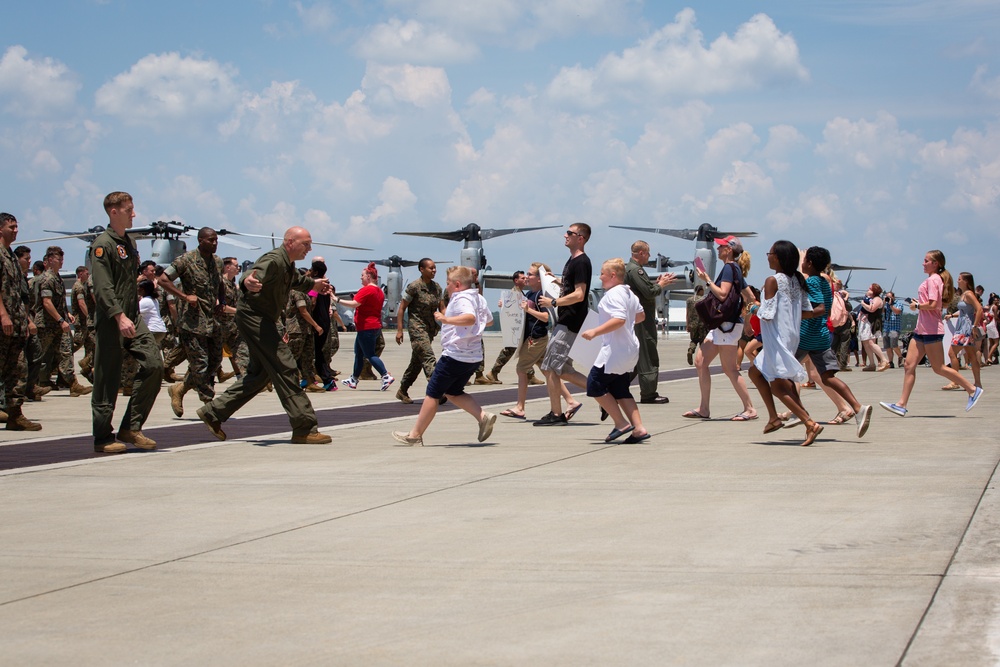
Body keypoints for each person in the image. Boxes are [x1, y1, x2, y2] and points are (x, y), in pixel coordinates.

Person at [196, 227, 334, 445]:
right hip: (255, 319)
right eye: (305, 244)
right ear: (290, 242)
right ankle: (304, 427)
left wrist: (313, 284)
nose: (309, 248)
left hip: (262, 319)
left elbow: (294, 281)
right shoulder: (273, 260)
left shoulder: (287, 264)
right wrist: (247, 282)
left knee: (259, 375)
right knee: (286, 366)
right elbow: (250, 275)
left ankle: (213, 413)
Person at [90, 192, 164, 453]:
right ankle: (102, 437)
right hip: (114, 318)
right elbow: (102, 286)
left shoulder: (128, 243)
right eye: (129, 210)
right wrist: (118, 315)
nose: (134, 214)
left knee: (155, 364)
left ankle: (131, 427)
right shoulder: (103, 244)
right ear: (114, 212)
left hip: (132, 316)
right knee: (107, 378)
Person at [391, 266, 496, 446]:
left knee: (433, 393)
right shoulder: (478, 297)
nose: (445, 287)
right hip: (473, 357)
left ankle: (415, 435)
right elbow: (489, 321)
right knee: (453, 392)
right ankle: (482, 416)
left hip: (455, 355)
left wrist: (446, 319)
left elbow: (470, 318)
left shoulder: (462, 297)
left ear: (457, 284)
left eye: (448, 284)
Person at [880, 250, 984, 417]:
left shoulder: (934, 280)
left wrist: (918, 306)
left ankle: (972, 389)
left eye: (926, 260)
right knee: (909, 365)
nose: (923, 263)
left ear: (935, 264)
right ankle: (901, 404)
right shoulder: (933, 280)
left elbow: (935, 304)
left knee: (939, 368)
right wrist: (919, 304)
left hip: (931, 329)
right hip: (921, 329)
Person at [788, 246, 872, 438]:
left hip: (808, 334)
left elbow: (819, 308)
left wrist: (797, 315)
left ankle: (797, 412)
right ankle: (858, 408)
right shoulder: (826, 281)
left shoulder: (814, 282)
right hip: (822, 335)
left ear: (809, 263)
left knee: (785, 373)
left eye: (804, 260)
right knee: (828, 377)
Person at [746, 240, 824, 446]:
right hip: (790, 336)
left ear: (778, 258)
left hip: (776, 338)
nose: (768, 257)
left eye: (770, 253)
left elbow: (768, 314)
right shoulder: (797, 280)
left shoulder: (773, 281)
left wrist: (753, 308)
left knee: (778, 386)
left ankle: (809, 422)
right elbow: (808, 312)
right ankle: (773, 418)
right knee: (755, 372)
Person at [684, 235, 757, 421]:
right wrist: (747, 322)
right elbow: (750, 297)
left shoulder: (728, 268)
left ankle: (750, 409)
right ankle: (704, 408)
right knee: (701, 361)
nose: (718, 249)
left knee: (729, 369)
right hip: (724, 326)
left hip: (727, 326)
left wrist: (707, 280)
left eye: (721, 246)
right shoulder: (736, 269)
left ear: (729, 250)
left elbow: (723, 295)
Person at [581, 258, 650, 443]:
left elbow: (619, 319)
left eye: (603, 273)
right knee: (620, 388)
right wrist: (627, 321)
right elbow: (641, 316)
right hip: (629, 349)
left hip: (615, 351)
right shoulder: (629, 294)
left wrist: (595, 331)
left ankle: (621, 423)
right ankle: (639, 428)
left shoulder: (613, 294)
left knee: (594, 385)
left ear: (613, 275)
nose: (600, 277)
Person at [159, 228, 226, 418]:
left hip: (212, 320)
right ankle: (209, 405)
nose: (214, 243)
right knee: (201, 364)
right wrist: (184, 296)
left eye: (216, 240)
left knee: (215, 361)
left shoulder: (217, 262)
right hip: (192, 321)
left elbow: (220, 283)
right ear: (200, 240)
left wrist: (222, 301)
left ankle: (179, 389)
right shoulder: (185, 260)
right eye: (210, 240)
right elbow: (163, 280)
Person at [499, 262, 579, 420]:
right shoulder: (529, 295)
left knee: (521, 369)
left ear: (539, 278)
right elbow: (520, 312)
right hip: (533, 338)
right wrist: (505, 307)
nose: (526, 277)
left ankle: (520, 407)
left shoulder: (541, 296)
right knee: (548, 372)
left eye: (530, 275)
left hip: (535, 338)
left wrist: (529, 310)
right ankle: (571, 401)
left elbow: (546, 317)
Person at [533, 223, 593, 426]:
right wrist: (557, 282)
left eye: (570, 233)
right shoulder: (572, 261)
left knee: (550, 366)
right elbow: (572, 287)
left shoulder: (581, 262)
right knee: (563, 370)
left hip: (569, 322)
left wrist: (554, 302)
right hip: (566, 321)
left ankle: (556, 414)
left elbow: (579, 294)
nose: (565, 235)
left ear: (581, 238)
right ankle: (602, 392)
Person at [0, 213, 41, 430]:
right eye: (11, 227)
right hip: (3, 323)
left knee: (16, 369)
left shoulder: (11, 257)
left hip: (16, 324)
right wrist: (4, 315)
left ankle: (15, 414)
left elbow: (17, 293)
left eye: (17, 227)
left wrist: (24, 321)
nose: (15, 230)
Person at [623, 240, 676, 404]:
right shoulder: (635, 270)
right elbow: (648, 292)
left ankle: (618, 387)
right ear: (641, 253)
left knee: (637, 357)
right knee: (648, 353)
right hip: (642, 321)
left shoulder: (632, 269)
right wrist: (661, 285)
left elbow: (644, 288)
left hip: (636, 318)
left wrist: (657, 283)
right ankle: (649, 393)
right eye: (647, 253)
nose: (649, 256)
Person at [35, 246, 91, 397]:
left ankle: (72, 384)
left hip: (59, 324)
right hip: (46, 324)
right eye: (59, 259)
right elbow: (46, 302)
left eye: (62, 259)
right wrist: (61, 319)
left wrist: (67, 315)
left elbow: (58, 301)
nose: (61, 262)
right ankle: (30, 385)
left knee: (66, 351)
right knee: (37, 355)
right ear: (50, 260)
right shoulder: (47, 278)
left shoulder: (57, 277)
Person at [336, 262, 394, 391]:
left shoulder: (367, 289)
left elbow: (354, 304)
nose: (360, 278)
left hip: (366, 327)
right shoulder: (379, 291)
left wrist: (337, 300)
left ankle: (385, 375)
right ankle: (354, 379)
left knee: (370, 354)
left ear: (369, 276)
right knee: (359, 353)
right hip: (373, 327)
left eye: (362, 275)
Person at [394, 258, 443, 403]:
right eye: (430, 268)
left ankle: (402, 390)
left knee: (416, 363)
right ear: (421, 269)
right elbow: (402, 308)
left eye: (434, 268)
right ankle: (437, 391)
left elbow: (442, 308)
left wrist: (449, 321)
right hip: (417, 328)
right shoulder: (414, 287)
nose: (434, 270)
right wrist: (400, 330)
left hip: (430, 329)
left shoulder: (437, 288)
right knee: (429, 357)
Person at [942, 272, 984, 390]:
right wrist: (952, 316)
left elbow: (979, 309)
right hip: (963, 327)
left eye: (960, 279)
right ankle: (977, 383)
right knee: (971, 355)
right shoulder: (964, 294)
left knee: (952, 353)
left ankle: (955, 381)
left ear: (966, 281)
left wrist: (974, 326)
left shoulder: (969, 294)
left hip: (965, 329)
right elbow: (964, 311)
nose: (958, 280)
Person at [308, 260, 337, 391]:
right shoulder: (326, 285)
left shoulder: (314, 284)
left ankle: (326, 379)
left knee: (315, 352)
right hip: (325, 320)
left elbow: (313, 302)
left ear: (314, 271)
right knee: (316, 352)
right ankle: (308, 378)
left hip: (316, 322)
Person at [858, 283, 890, 372]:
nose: (868, 289)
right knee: (865, 343)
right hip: (867, 323)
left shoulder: (877, 299)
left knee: (871, 343)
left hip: (872, 323)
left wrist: (863, 303)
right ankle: (872, 364)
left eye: (870, 288)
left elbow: (872, 309)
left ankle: (884, 360)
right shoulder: (872, 299)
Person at [138, 279, 167, 345]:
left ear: (142, 289)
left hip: (153, 330)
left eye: (138, 288)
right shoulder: (153, 299)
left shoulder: (145, 301)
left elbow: (134, 312)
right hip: (160, 330)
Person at [685, 285, 707, 365]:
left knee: (694, 340)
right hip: (702, 324)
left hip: (692, 324)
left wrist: (687, 325)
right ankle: (701, 358)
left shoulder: (689, 300)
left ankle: (691, 350)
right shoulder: (704, 299)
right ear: (700, 291)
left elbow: (687, 313)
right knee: (703, 342)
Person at [882, 291, 903, 368]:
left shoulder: (899, 304)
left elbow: (897, 311)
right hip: (886, 328)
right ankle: (890, 362)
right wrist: (884, 302)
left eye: (890, 297)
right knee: (887, 347)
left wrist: (891, 305)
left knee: (894, 345)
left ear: (893, 297)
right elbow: (880, 310)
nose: (889, 299)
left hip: (895, 328)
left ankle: (900, 357)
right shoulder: (886, 305)